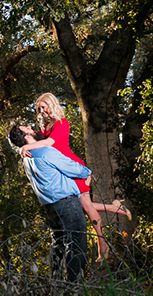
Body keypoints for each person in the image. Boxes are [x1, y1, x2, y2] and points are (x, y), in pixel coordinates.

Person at [19, 92, 131, 261]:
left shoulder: (62, 123)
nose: (41, 111)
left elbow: (50, 144)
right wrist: (23, 146)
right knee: (82, 204)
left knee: (86, 207)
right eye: (39, 108)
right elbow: (40, 148)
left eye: (43, 107)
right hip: (62, 170)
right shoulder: (44, 128)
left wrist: (24, 148)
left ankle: (103, 247)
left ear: (51, 105)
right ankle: (117, 208)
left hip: (74, 168)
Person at [8, 124, 90, 282]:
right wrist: (87, 172)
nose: (31, 127)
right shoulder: (46, 151)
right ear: (26, 137)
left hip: (50, 208)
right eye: (27, 127)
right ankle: (76, 289)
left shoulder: (26, 159)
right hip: (67, 204)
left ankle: (57, 285)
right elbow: (73, 169)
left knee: (58, 245)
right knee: (76, 246)